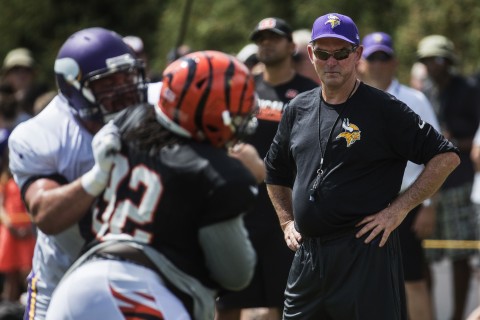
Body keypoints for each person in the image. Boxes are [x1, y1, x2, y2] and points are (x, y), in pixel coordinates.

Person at [264, 12, 460, 319]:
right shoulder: (298, 108)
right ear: (311, 55)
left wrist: (399, 209)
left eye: (341, 54)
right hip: (308, 256)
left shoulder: (385, 109)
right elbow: (274, 172)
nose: (332, 62)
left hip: (364, 256)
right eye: (324, 53)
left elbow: (446, 157)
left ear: (357, 55)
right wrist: (286, 221)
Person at [45, 50, 262, 320]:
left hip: (76, 283)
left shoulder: (129, 121)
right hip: (138, 293)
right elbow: (236, 274)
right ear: (216, 111)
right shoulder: (221, 175)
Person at [8, 27, 147, 319]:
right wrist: (97, 176)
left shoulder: (157, 105)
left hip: (140, 279)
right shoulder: (42, 135)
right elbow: (46, 215)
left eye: (128, 77)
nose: (125, 91)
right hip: (63, 279)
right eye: (110, 84)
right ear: (75, 88)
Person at [215, 17, 318, 320]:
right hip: (241, 209)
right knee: (229, 301)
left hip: (286, 212)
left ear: (291, 46)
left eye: (274, 37)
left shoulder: (309, 93)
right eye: (260, 38)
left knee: (284, 301)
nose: (266, 43)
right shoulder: (242, 89)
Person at [358, 31, 439, 320]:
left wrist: (428, 206)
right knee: (363, 284)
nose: (378, 64)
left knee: (412, 281)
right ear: (360, 61)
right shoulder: (350, 99)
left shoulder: (415, 99)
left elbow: (439, 157)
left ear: (394, 62)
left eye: (384, 57)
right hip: (360, 206)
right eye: (372, 58)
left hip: (406, 203)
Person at [417, 34, 480, 320]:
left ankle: (456, 316)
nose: (433, 65)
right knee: (425, 255)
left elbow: (477, 139)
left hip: (459, 182)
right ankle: (429, 314)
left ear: (449, 61)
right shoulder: (426, 92)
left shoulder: (468, 89)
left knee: (458, 254)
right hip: (430, 183)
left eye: (438, 59)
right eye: (427, 60)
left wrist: (452, 143)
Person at [1, 48, 49, 116]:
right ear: (7, 75)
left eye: (27, 70)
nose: (22, 74)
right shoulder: (1, 103)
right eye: (16, 70)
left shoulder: (46, 102)